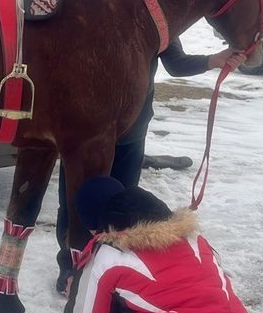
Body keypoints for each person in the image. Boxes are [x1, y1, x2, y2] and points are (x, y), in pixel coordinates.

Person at [56, 39, 246, 291]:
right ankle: (70, 267)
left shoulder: (155, 12)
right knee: (74, 203)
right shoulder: (87, 2)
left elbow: (176, 63)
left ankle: (117, 271)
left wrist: (213, 60)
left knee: (124, 206)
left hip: (131, 129)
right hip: (84, 128)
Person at [64, 176, 256, 313]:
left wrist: (76, 296)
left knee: (120, 310)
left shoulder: (109, 254)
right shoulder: (196, 240)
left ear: (97, 226)